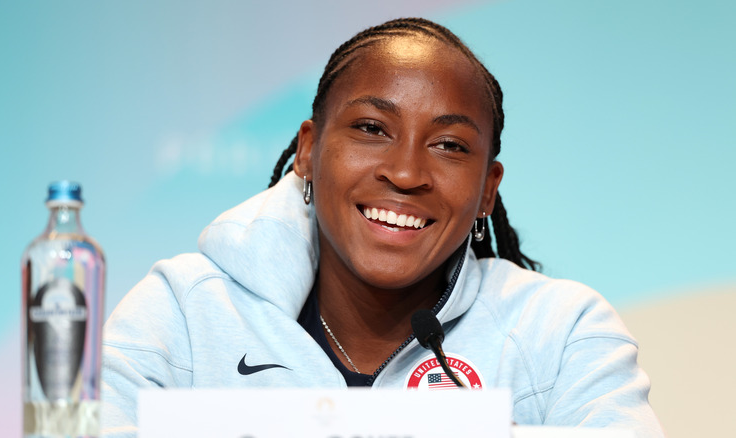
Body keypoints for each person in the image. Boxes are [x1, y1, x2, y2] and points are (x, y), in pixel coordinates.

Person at [101, 17, 664, 437]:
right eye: (372, 128)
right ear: (309, 150)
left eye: (449, 145)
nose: (405, 172)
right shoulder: (180, 312)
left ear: (487, 189)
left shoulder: (562, 332)